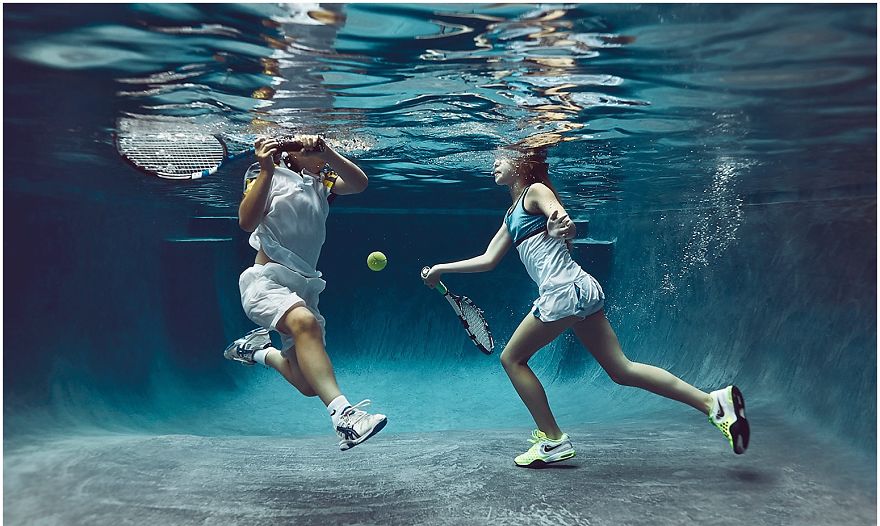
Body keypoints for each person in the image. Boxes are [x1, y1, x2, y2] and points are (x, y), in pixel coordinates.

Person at [421, 149, 749, 467]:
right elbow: (489, 259)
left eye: (502, 157)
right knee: (621, 369)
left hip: (563, 294)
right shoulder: (510, 216)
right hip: (582, 290)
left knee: (512, 359)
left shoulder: (535, 191)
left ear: (522, 161)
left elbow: (558, 214)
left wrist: (560, 222)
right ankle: (713, 403)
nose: (494, 162)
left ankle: (552, 439)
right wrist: (442, 269)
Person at [224, 135, 388, 451]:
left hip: (304, 288)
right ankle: (345, 417)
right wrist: (267, 171)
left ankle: (257, 351)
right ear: (292, 153)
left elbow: (359, 183)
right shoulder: (265, 174)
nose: (317, 152)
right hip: (266, 284)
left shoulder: (322, 179)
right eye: (310, 148)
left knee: (308, 384)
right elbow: (246, 222)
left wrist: (327, 150)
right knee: (305, 324)